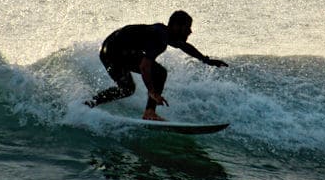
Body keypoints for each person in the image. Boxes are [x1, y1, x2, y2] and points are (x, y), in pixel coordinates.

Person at [86, 10, 228, 120]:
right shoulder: (159, 38)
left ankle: (89, 103)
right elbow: (144, 67)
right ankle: (150, 112)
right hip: (115, 51)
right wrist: (152, 92)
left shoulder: (164, 33)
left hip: (107, 51)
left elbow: (184, 46)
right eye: (187, 27)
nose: (190, 31)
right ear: (176, 26)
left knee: (127, 89)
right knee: (159, 72)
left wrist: (206, 60)